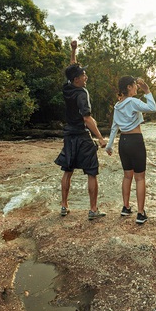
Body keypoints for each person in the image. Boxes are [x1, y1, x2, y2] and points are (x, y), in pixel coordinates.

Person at [54, 40, 107, 220]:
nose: (86, 76)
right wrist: (100, 137)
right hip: (82, 136)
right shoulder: (82, 93)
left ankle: (64, 206)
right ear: (76, 79)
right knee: (92, 172)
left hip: (69, 135)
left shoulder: (67, 87)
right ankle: (93, 210)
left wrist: (73, 51)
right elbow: (87, 118)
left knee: (67, 170)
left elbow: (71, 67)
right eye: (83, 75)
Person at [106, 76, 156, 224]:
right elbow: (153, 108)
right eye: (135, 85)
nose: (136, 88)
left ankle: (126, 207)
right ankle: (140, 214)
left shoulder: (117, 105)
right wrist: (147, 91)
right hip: (135, 141)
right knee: (139, 178)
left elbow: (114, 127)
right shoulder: (133, 102)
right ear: (129, 87)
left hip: (123, 142)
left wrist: (109, 146)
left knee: (127, 176)